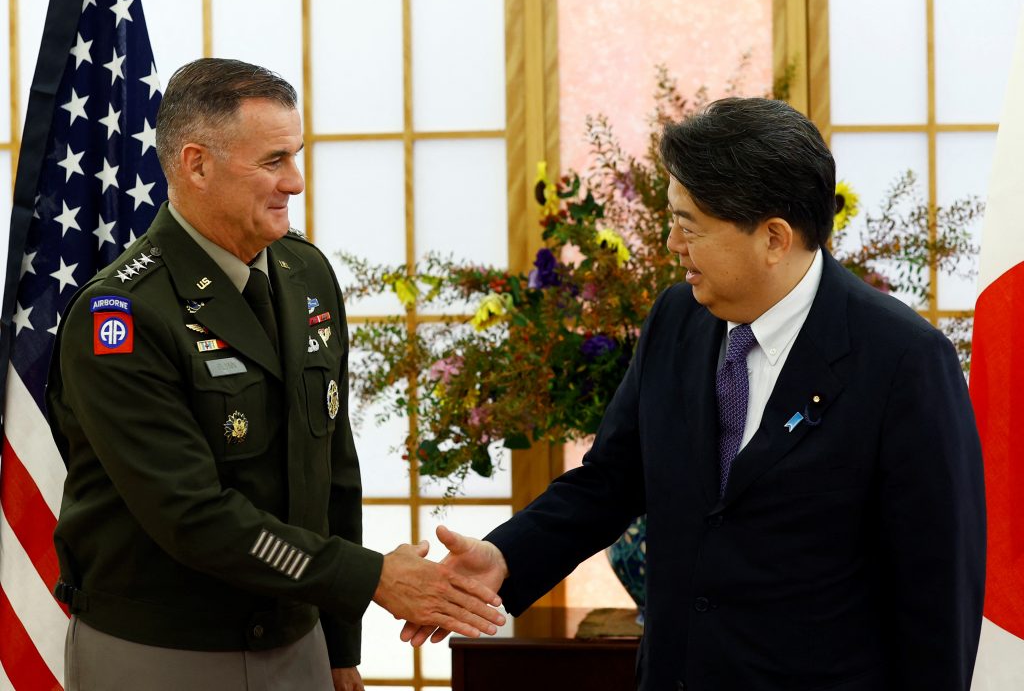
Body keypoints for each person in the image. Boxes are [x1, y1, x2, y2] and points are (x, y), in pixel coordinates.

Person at [401, 97, 986, 691]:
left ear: (774, 238)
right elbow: (610, 480)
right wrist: (506, 557)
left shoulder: (903, 360)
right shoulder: (677, 319)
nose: (671, 243)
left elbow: (938, 591)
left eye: (688, 225)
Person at [47, 58, 503, 691]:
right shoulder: (121, 315)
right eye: (273, 161)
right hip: (165, 650)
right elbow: (193, 517)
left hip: (299, 642)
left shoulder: (305, 273)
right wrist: (370, 579)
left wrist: (342, 644)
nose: (296, 182)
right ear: (197, 164)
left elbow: (333, 467)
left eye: (297, 155)